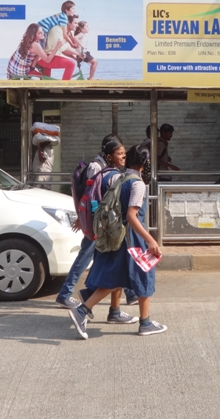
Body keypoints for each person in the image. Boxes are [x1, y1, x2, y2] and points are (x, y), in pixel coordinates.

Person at [69, 145, 166, 339]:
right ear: (145, 162)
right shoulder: (138, 184)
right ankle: (145, 323)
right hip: (134, 238)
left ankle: (84, 309)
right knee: (144, 276)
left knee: (116, 278)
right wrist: (150, 240)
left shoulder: (118, 177)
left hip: (119, 236)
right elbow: (132, 216)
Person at [56, 136, 138, 310]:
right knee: (86, 258)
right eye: (119, 152)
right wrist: (83, 217)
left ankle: (127, 294)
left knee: (109, 258)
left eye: (124, 153)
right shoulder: (96, 166)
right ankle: (66, 294)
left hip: (103, 222)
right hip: (99, 223)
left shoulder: (110, 167)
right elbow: (91, 193)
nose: (123, 156)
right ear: (109, 153)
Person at [7, 23, 77, 80]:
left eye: (42, 31)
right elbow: (48, 60)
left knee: (43, 73)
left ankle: (32, 73)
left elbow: (33, 55)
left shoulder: (25, 41)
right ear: (34, 35)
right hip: (22, 71)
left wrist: (33, 67)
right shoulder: (35, 45)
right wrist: (57, 46)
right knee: (44, 77)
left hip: (12, 68)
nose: (43, 33)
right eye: (39, 33)